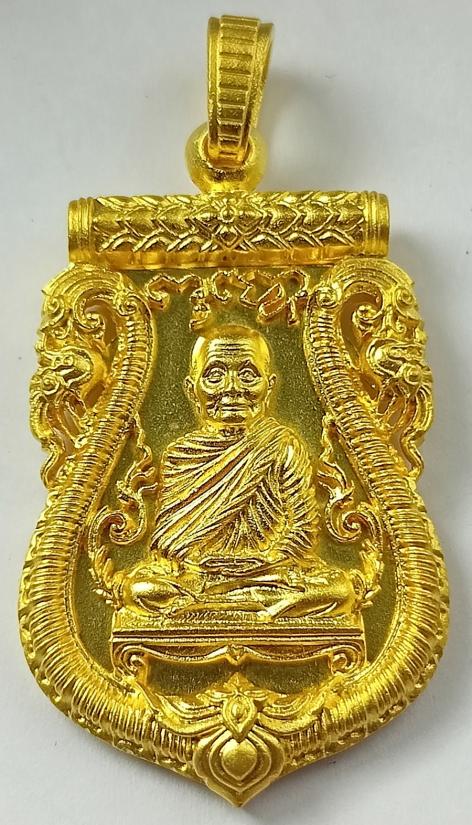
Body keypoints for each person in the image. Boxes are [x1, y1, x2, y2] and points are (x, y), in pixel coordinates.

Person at [122, 324, 355, 620]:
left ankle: (210, 609)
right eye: (215, 375)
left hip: (268, 574)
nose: (231, 388)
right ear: (192, 389)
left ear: (269, 386)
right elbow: (169, 544)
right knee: (140, 590)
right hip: (200, 577)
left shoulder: (282, 445)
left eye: (247, 374)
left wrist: (266, 560)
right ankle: (247, 609)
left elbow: (303, 528)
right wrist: (202, 563)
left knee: (340, 590)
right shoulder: (179, 456)